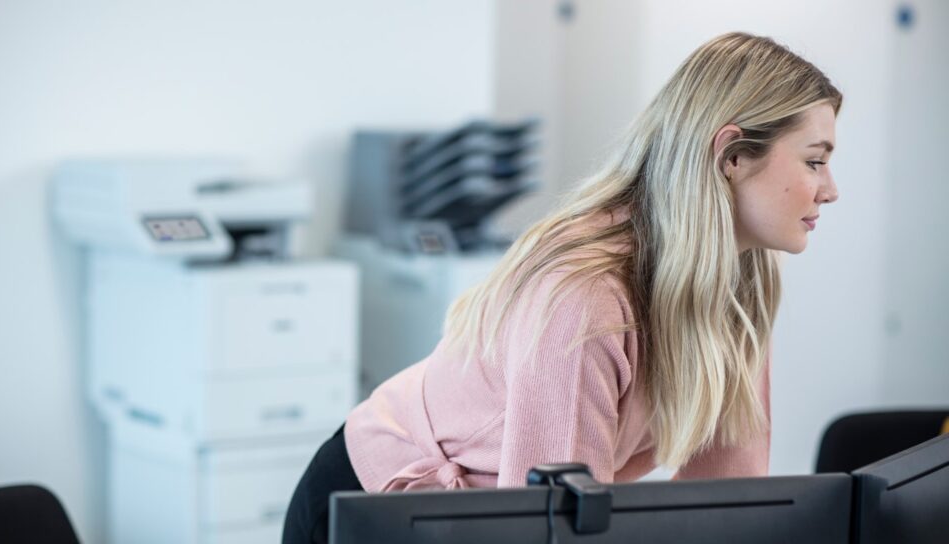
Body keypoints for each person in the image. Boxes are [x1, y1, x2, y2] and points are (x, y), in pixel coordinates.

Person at [282, 31, 841, 544]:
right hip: (374, 502)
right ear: (732, 156)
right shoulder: (587, 297)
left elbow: (726, 501)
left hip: (496, 513)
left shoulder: (740, 279)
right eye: (815, 162)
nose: (830, 190)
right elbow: (552, 528)